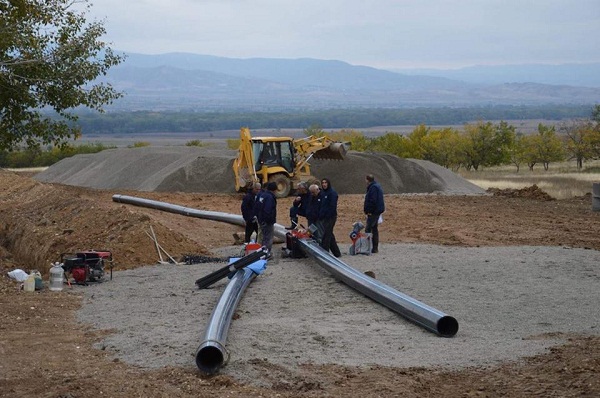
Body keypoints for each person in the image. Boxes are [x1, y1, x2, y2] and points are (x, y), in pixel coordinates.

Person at [319, 178, 341, 258]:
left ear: (328, 184)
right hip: (324, 217)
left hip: (331, 217)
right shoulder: (322, 193)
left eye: (325, 183)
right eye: (323, 183)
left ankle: (325, 254)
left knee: (326, 235)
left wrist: (327, 215)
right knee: (330, 234)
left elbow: (332, 207)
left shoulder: (332, 193)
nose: (324, 184)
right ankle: (337, 253)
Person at [363, 174, 385, 253]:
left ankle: (367, 247)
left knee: (368, 229)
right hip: (376, 211)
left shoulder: (373, 188)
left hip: (373, 212)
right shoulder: (376, 186)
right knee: (374, 229)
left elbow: (372, 201)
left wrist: (369, 211)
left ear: (367, 180)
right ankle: (374, 248)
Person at [257, 181, 278, 256]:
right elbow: (267, 210)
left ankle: (262, 253)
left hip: (261, 219)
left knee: (264, 238)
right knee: (268, 238)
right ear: (274, 190)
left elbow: (258, 207)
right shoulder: (269, 197)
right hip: (267, 221)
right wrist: (269, 220)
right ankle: (266, 254)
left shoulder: (262, 195)